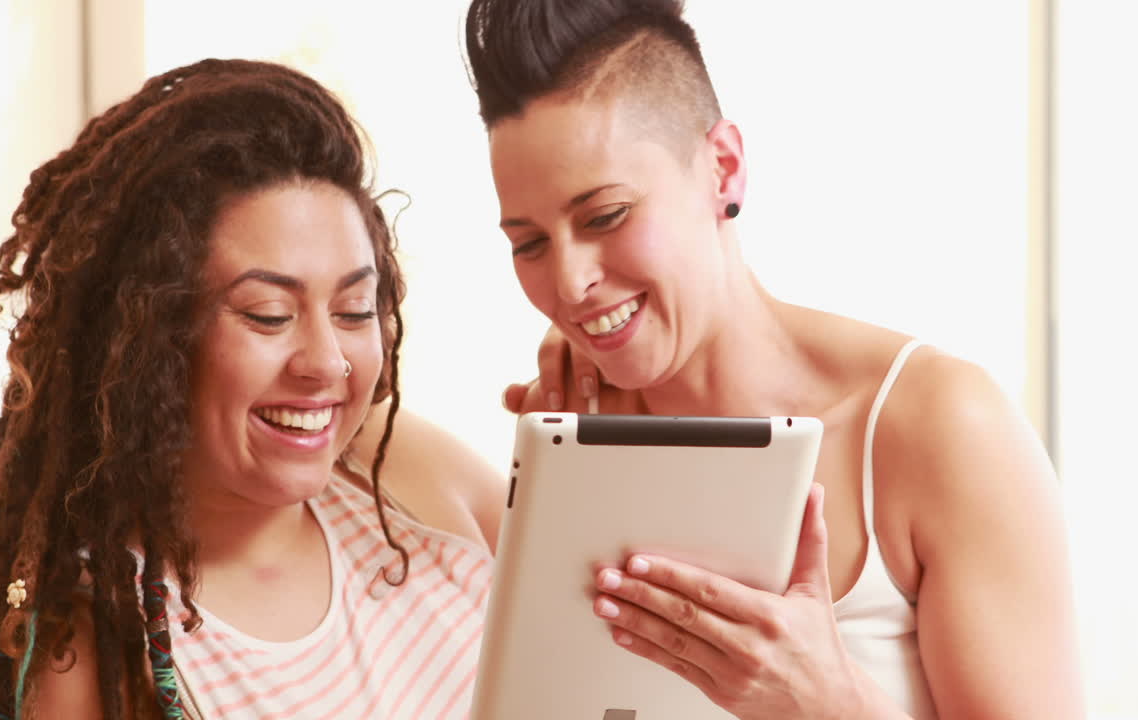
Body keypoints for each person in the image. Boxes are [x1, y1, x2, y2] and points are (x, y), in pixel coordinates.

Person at [465, 1, 1086, 717]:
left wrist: (826, 701)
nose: (569, 283)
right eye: (529, 243)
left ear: (722, 169)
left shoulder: (939, 427)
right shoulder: (574, 423)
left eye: (605, 216)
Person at [0, 59, 504, 719]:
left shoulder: (409, 476)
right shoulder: (93, 651)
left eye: (354, 309)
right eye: (268, 315)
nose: (328, 364)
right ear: (153, 340)